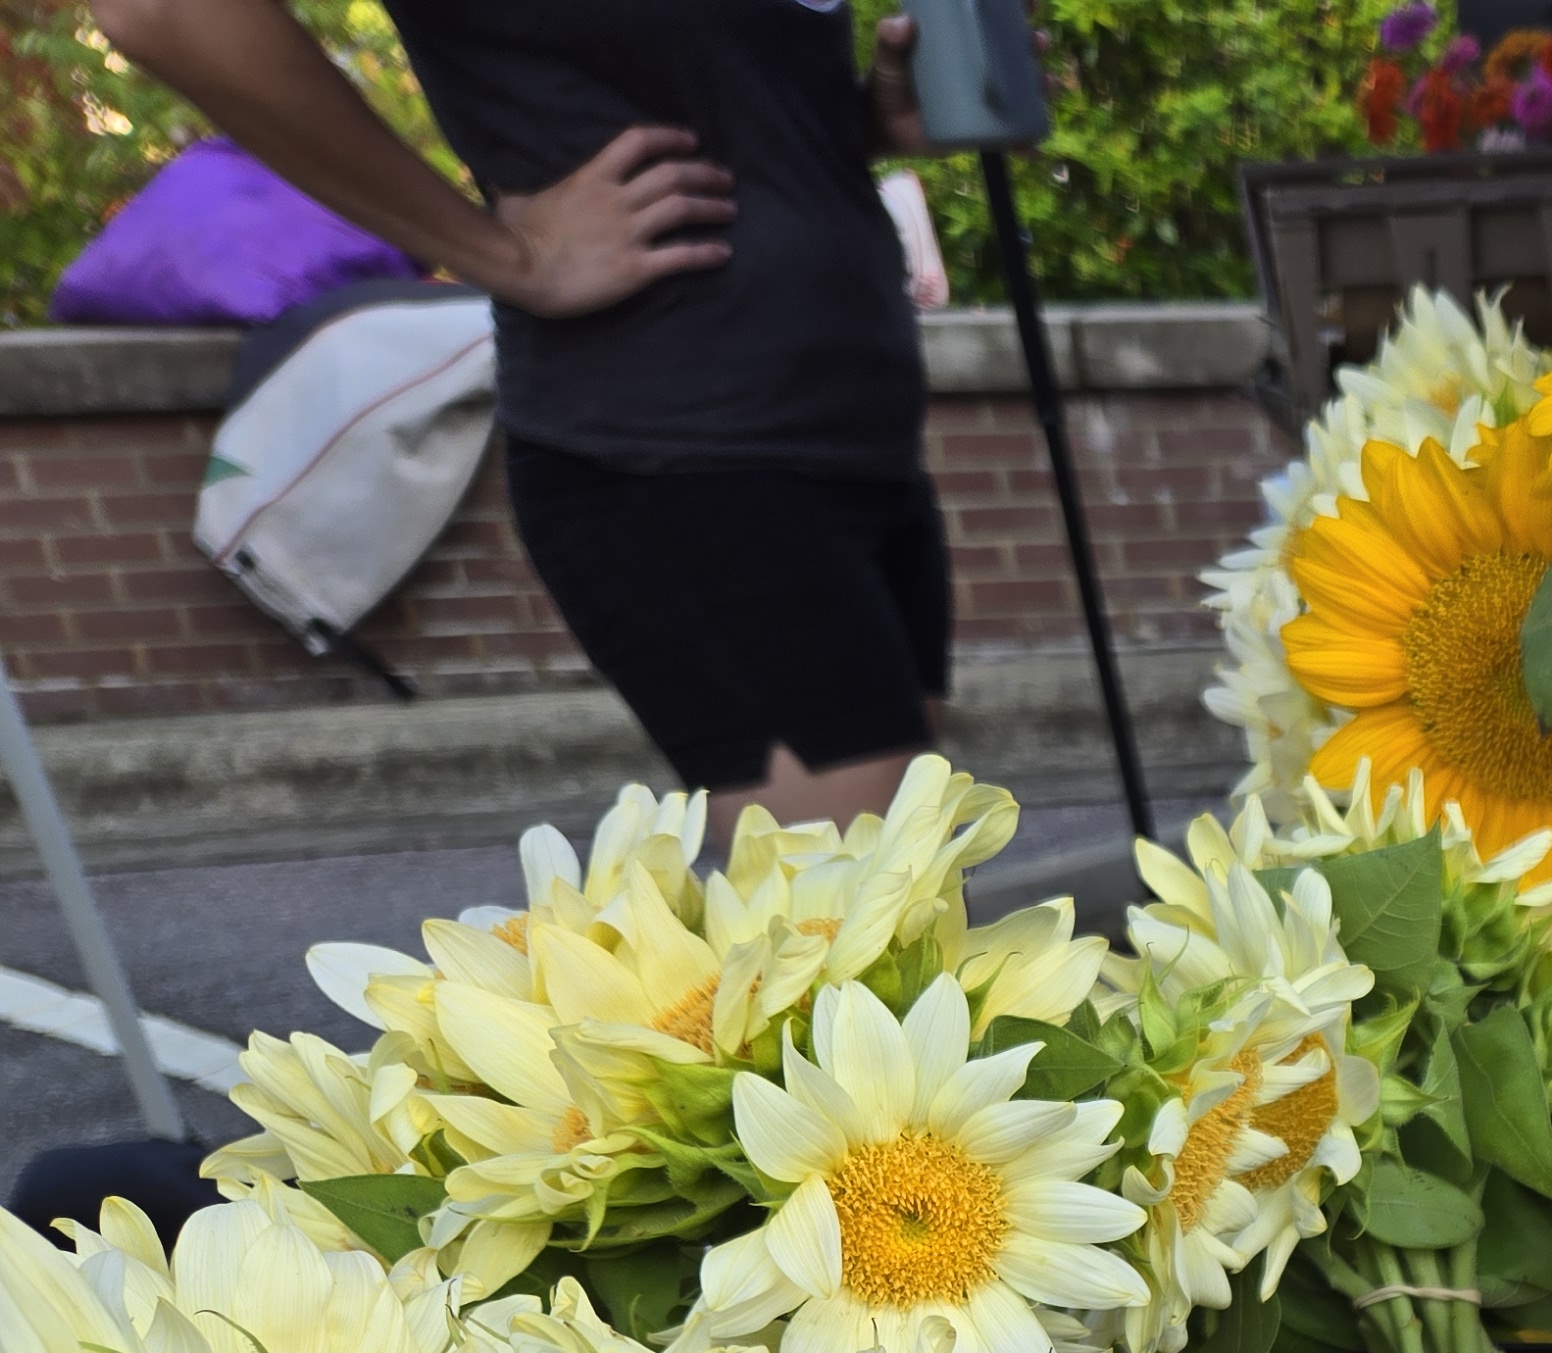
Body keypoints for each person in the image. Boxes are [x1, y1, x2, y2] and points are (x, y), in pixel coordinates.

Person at [91, 0, 956, 838]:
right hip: (682, 447)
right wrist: (499, 254)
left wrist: (866, 118)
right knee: (857, 934)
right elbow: (160, 10)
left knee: (904, 907)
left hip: (852, 422)